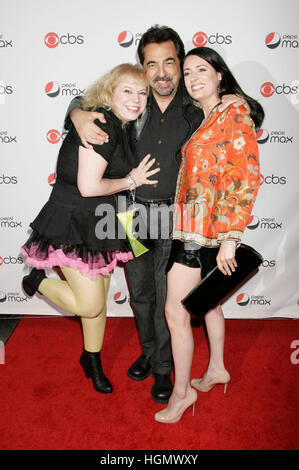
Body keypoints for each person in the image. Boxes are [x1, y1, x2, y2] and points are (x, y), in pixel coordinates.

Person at [67, 25, 251, 404]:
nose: (162, 72)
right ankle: (149, 352)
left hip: (176, 217)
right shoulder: (132, 100)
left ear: (181, 62)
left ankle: (165, 368)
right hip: (129, 214)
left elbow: (239, 125)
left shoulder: (199, 101)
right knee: (141, 293)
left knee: (169, 295)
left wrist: (237, 102)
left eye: (170, 62)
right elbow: (87, 103)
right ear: (143, 67)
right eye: (152, 64)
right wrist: (76, 114)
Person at [21, 63, 159, 394]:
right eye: (128, 90)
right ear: (110, 90)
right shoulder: (103, 124)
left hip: (100, 224)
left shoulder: (119, 124)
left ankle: (91, 359)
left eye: (142, 93)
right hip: (74, 224)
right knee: (90, 305)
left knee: (97, 302)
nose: (136, 99)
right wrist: (131, 180)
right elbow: (88, 186)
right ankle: (36, 281)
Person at [154, 46, 264, 423]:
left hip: (203, 232)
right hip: (194, 227)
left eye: (203, 69)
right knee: (208, 301)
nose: (193, 77)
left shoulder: (233, 112)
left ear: (220, 75)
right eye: (187, 72)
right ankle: (216, 368)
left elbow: (245, 175)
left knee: (175, 313)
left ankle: (181, 395)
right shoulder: (206, 118)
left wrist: (231, 238)